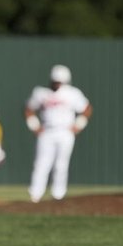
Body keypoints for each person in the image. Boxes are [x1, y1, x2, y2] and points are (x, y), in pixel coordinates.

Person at [25, 64, 92, 202]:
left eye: (59, 81)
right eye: (55, 81)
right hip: (47, 131)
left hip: (65, 132)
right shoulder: (41, 93)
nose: (56, 84)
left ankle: (58, 194)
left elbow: (87, 109)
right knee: (42, 163)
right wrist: (35, 127)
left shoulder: (73, 93)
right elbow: (28, 109)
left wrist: (78, 126)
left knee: (61, 164)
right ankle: (35, 193)